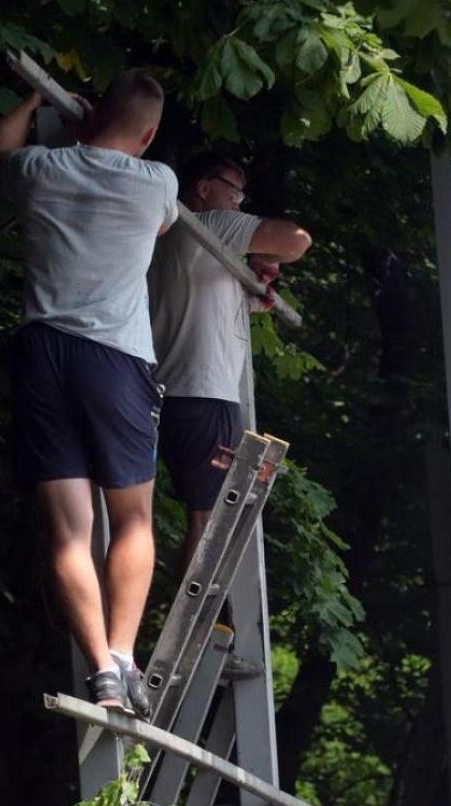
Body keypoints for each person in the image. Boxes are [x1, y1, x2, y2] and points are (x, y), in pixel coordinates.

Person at [0, 71, 177, 716]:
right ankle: (123, 650)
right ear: (148, 133)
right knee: (134, 517)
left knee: (69, 528)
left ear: (88, 119)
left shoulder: (42, 169)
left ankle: (101, 670)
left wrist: (36, 99)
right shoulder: (158, 184)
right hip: (116, 361)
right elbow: (165, 230)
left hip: (42, 352)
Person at [148, 152, 312, 567]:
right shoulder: (209, 226)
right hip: (202, 394)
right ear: (204, 188)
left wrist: (254, 287)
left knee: (208, 510)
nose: (239, 201)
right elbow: (296, 240)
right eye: (233, 190)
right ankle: (200, 625)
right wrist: (263, 252)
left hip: (179, 391)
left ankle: (207, 621)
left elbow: (212, 302)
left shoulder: (168, 238)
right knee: (208, 517)